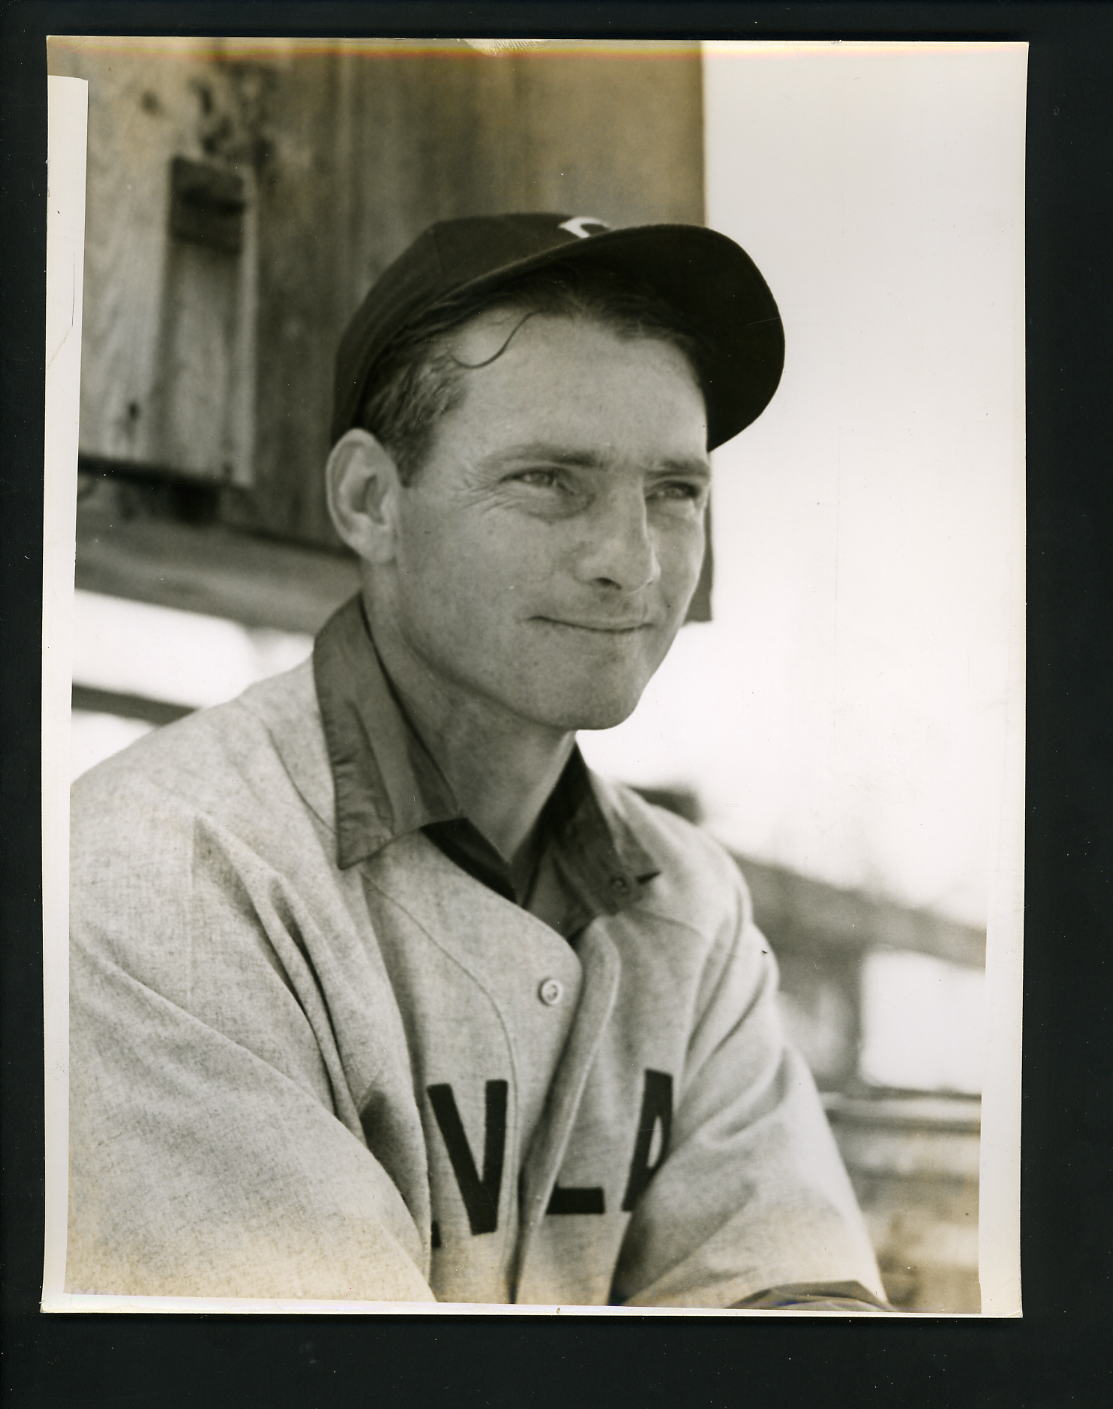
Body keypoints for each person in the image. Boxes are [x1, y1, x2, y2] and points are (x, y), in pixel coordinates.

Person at [68, 213, 886, 1310]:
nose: (631, 561)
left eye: (674, 490)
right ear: (370, 500)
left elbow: (810, 1334)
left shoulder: (693, 906)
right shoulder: (159, 871)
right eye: (551, 480)